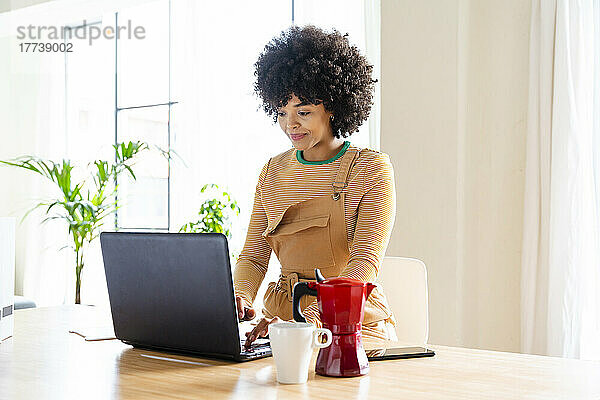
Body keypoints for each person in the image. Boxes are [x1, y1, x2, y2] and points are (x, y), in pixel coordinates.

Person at [235, 25, 397, 348]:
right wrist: (239, 297)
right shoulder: (271, 173)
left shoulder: (370, 170)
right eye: (281, 112)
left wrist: (305, 323)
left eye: (303, 112)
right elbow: (253, 258)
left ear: (334, 105)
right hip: (279, 326)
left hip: (352, 330)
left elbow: (363, 265)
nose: (290, 125)